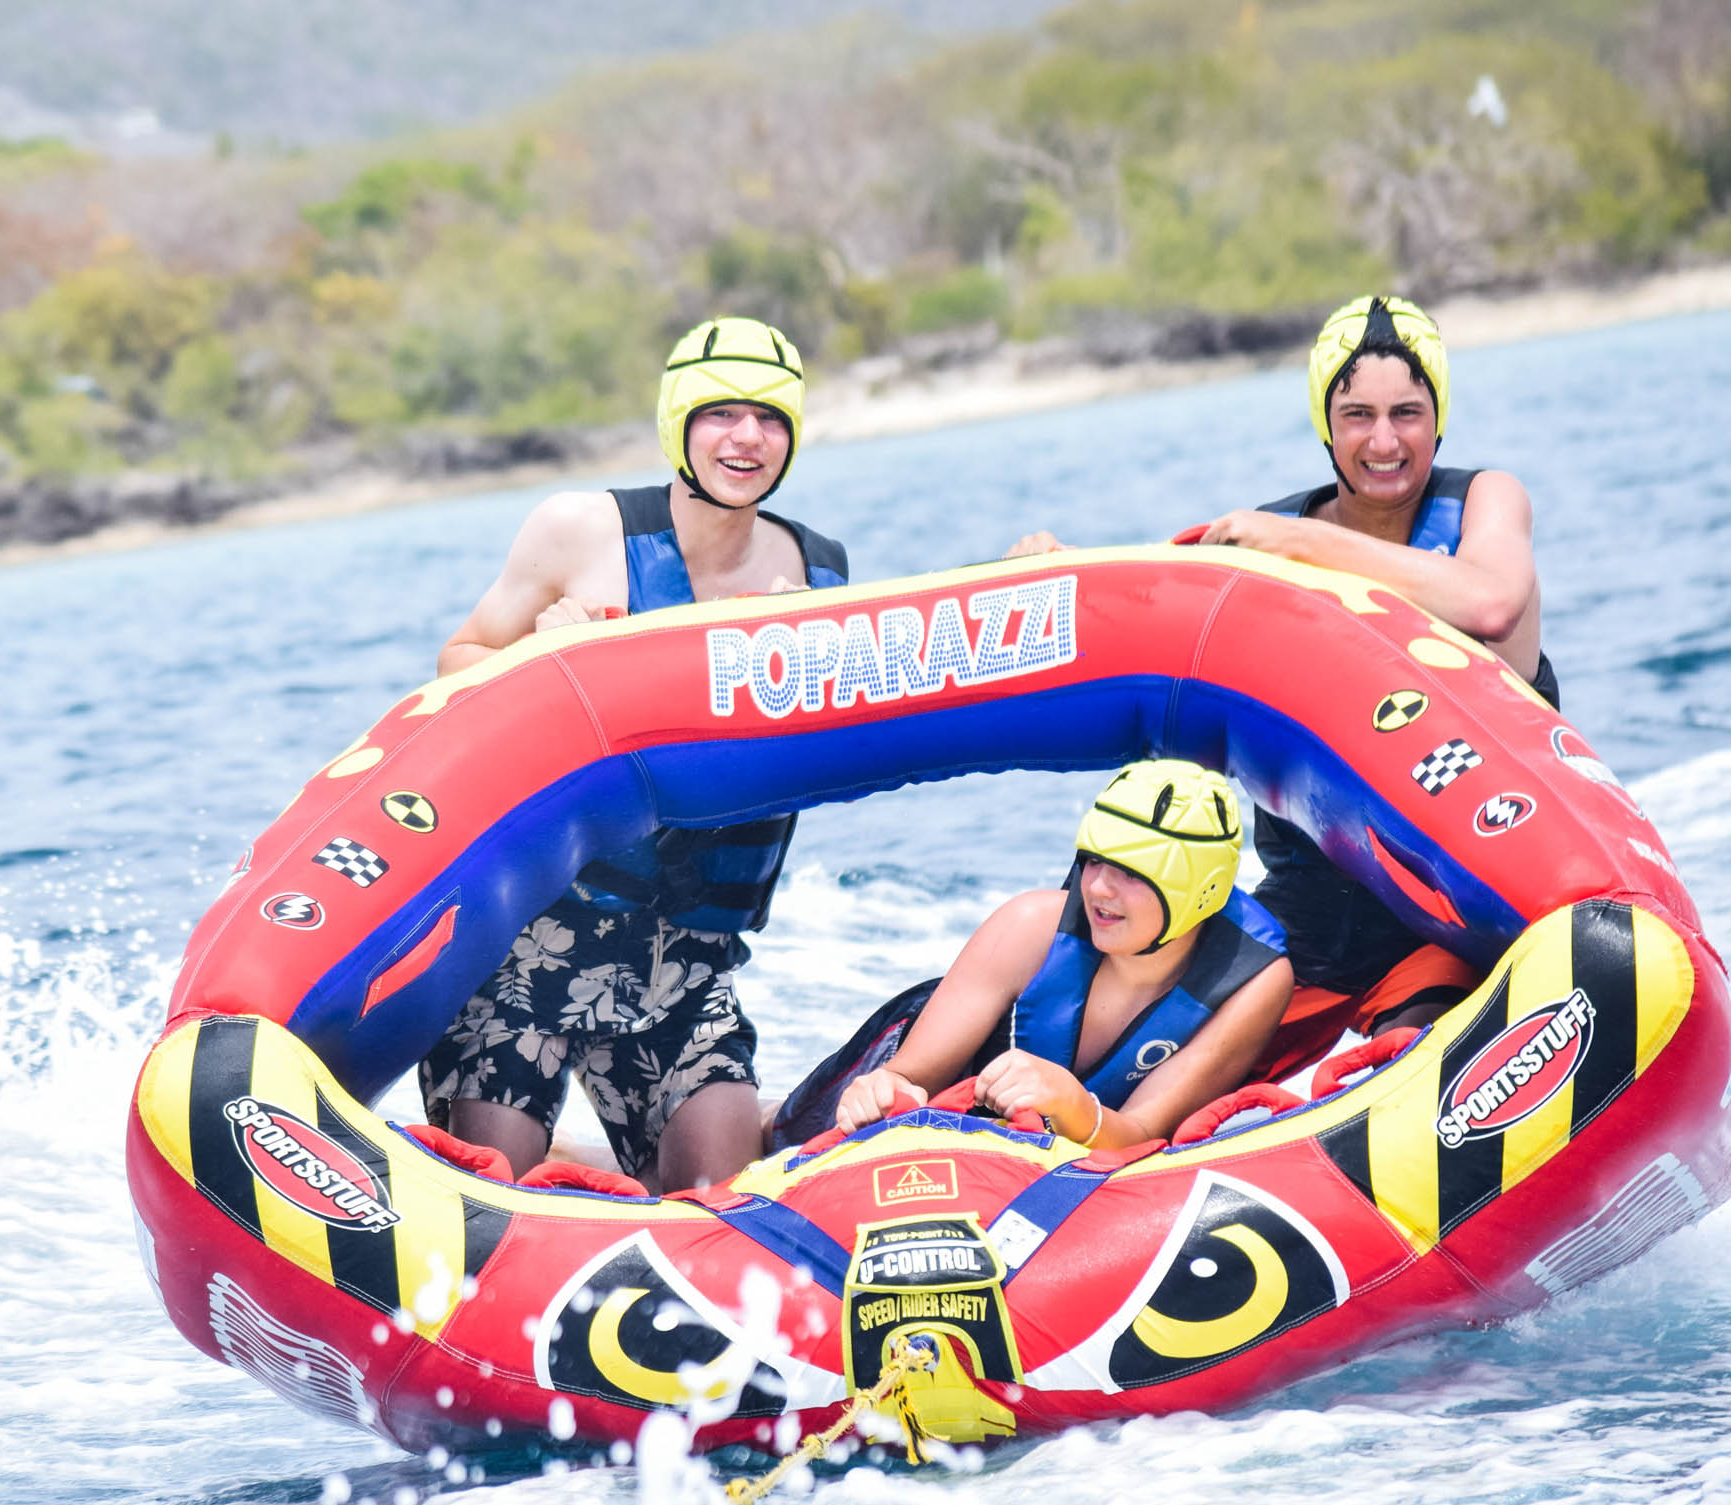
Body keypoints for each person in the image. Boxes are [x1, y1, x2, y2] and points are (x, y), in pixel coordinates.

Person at [423, 315, 850, 1195]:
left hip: (685, 962)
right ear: (677, 424)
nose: (748, 437)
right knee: (495, 1198)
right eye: (720, 413)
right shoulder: (582, 532)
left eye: (771, 418)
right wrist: (545, 657)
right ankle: (553, 1168)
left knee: (727, 1207)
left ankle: (595, 1175)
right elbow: (457, 663)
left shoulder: (819, 578)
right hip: (531, 949)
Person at [1204, 295, 1554, 1070]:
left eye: (1408, 412)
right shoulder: (1265, 534)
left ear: (1439, 416)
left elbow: (1491, 601)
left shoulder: (1485, 502)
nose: (1385, 440)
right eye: (1357, 413)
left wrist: (1302, 544)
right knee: (1165, 1063)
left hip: (1454, 909)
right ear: (1326, 423)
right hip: (1309, 916)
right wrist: (1056, 564)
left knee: (1416, 1062)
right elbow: (1156, 612)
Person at [773, 761, 1293, 1150]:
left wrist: (1069, 1103)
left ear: (1201, 891)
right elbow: (911, 1076)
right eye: (1093, 862)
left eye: (1133, 874)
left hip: (1056, 1153)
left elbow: (1138, 1134)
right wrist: (883, 1089)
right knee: (776, 1137)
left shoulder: (1252, 982)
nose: (1100, 890)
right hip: (922, 1045)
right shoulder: (1029, 927)